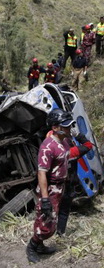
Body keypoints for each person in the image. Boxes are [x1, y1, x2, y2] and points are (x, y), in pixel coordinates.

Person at [26, 108, 93, 263]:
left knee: (50, 221)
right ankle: (32, 246)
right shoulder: (48, 147)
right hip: (50, 189)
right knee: (45, 223)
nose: (70, 128)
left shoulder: (63, 143)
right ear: (55, 128)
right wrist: (44, 199)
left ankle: (40, 246)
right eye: (66, 126)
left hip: (59, 187)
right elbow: (41, 173)